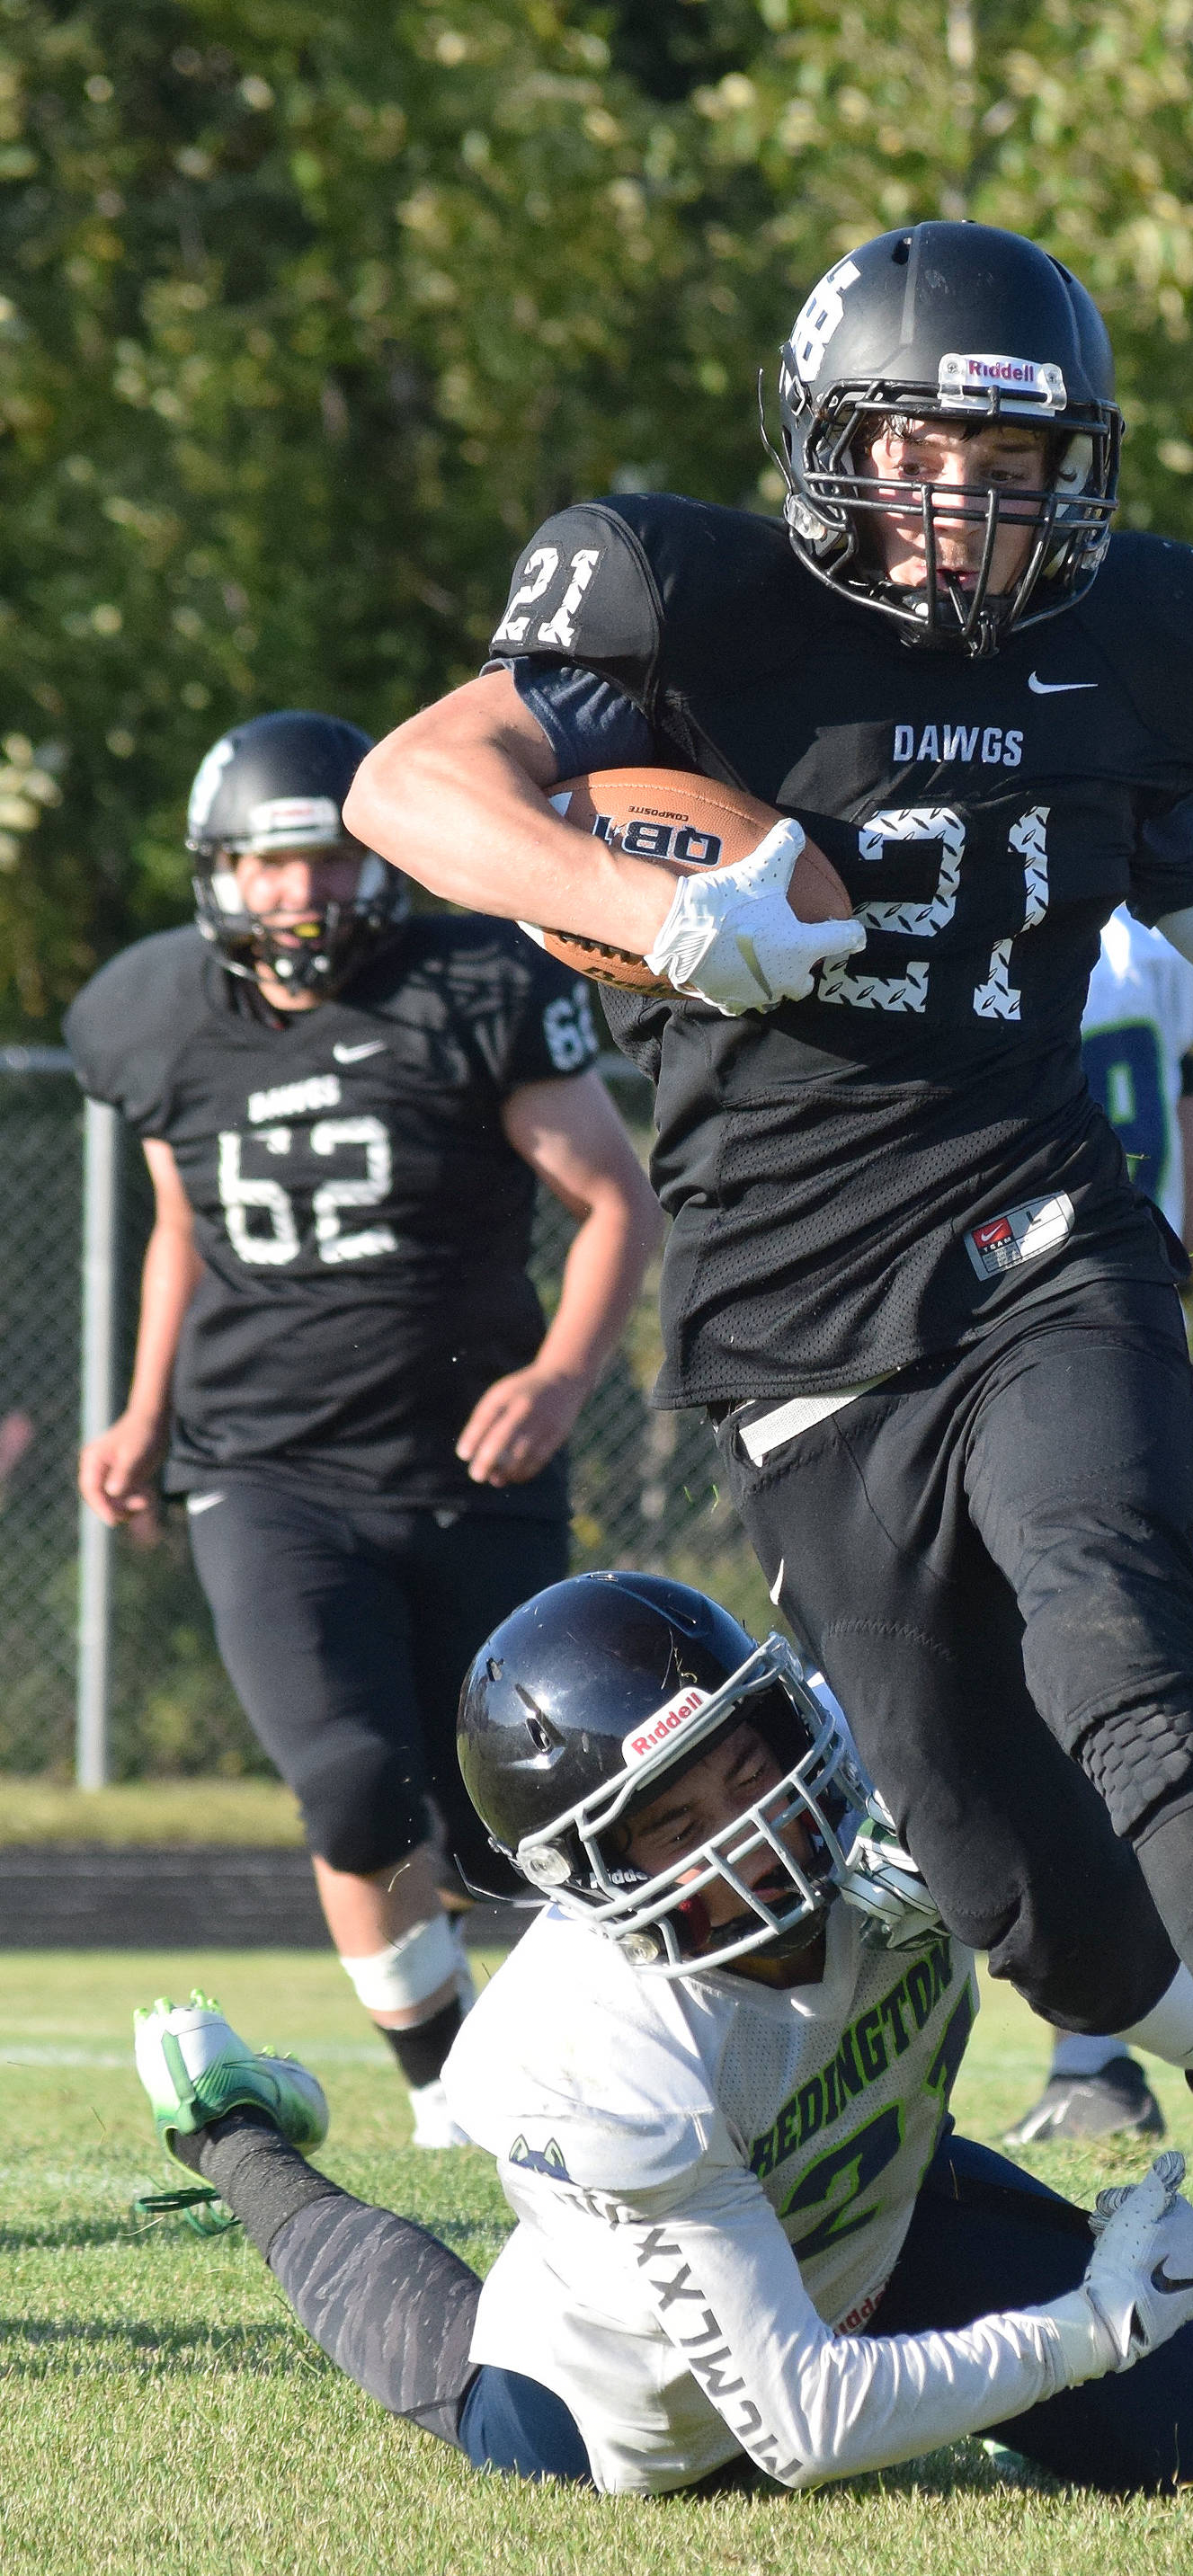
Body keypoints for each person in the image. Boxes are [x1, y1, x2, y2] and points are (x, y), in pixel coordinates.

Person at [343, 219, 1193, 2316]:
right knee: (993, 1867)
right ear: (830, 442)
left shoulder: (1136, 654)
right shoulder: (686, 599)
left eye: (1016, 461)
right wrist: (661, 912)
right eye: (920, 451)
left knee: (1113, 1627)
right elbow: (408, 784)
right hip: (791, 1325)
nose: (967, 505)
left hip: (1035, 1229)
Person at [130, 1572, 1193, 2498]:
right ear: (591, 1873)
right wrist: (1081, 2332)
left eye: (753, 1762)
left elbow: (1121, 1910)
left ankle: (983, 2382)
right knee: (459, 2367)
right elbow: (799, 2427)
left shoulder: (887, 1808)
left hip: (888, 2225)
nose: (758, 1824)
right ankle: (235, 2136)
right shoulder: (604, 2039)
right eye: (681, 1821)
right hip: (648, 2400)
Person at [71, 712, 662, 2145]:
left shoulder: (469, 983)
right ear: (220, 873)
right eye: (272, 867)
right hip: (262, 1465)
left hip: (472, 1459)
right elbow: (180, 1228)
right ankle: (446, 2087)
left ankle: (580, 2052)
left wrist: (566, 1376)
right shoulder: (156, 1014)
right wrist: (146, 1406)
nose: (302, 894)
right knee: (348, 1772)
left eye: (330, 860)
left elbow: (615, 1201)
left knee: (519, 1819)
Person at [1006, 907, 1193, 2144]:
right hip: (1118, 1352)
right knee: (1100, 1704)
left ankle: (1099, 2057)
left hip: (997, 1354)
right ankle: (1106, 2051)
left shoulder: (969, 891)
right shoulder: (1155, 945)